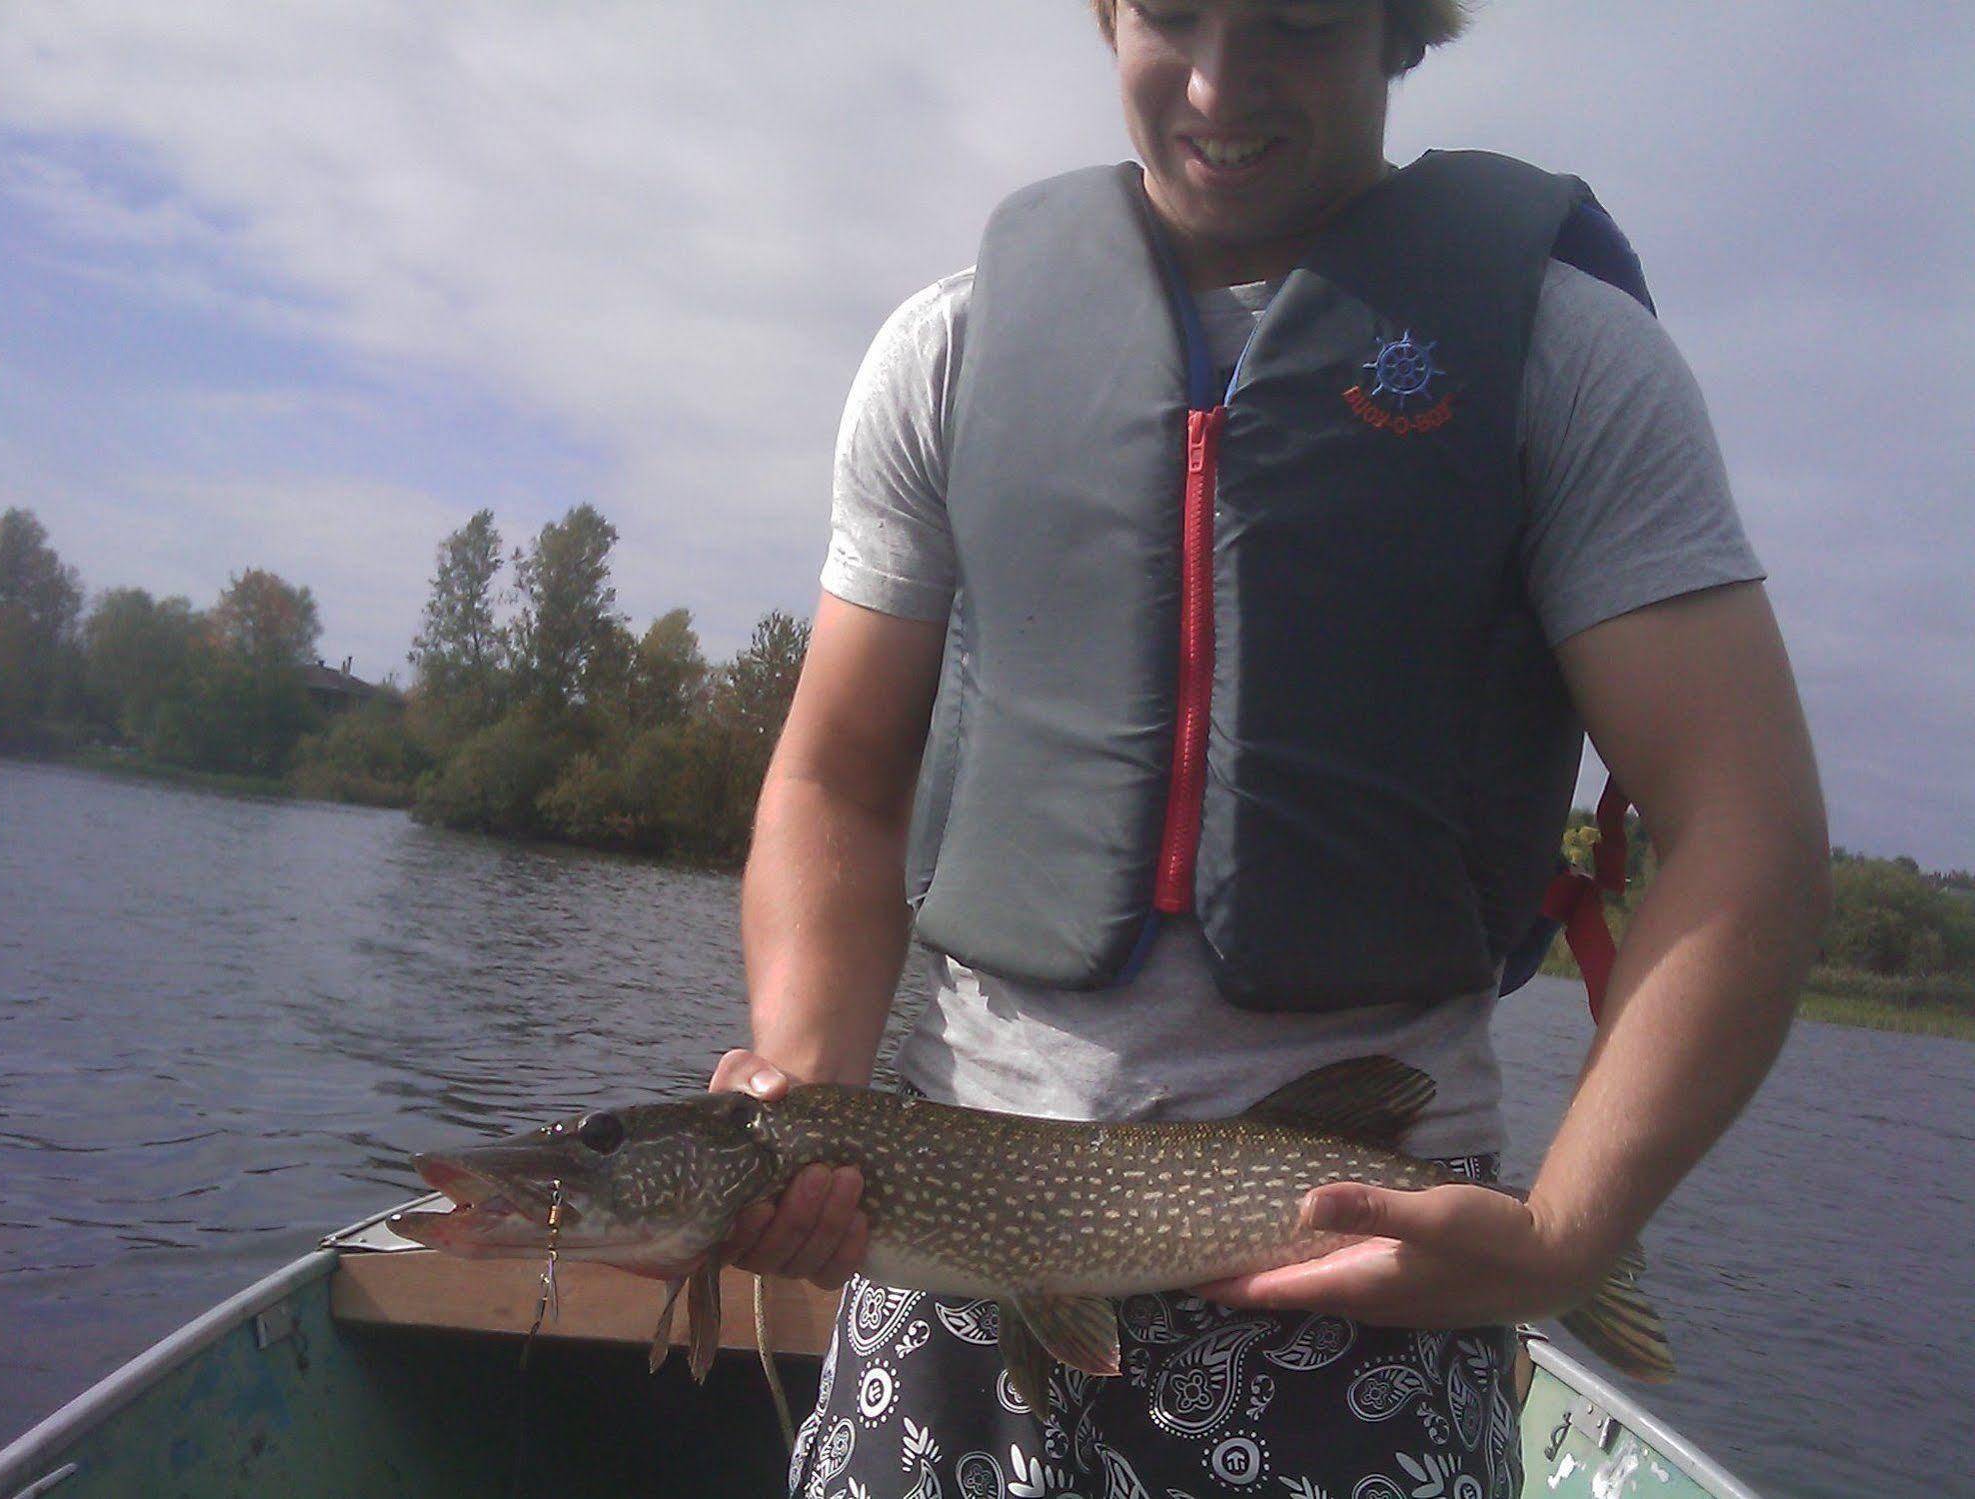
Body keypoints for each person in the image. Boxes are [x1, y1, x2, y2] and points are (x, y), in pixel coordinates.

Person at [713, 2, 1830, 1494]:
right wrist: (807, 1101)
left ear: (1400, 28)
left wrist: (1561, 1237)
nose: (1217, 86)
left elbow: (1744, 831)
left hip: (1373, 1283)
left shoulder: (1569, 362)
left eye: (1295, 26)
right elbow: (839, 780)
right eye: (1170, 13)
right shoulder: (951, 350)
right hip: (956, 1263)